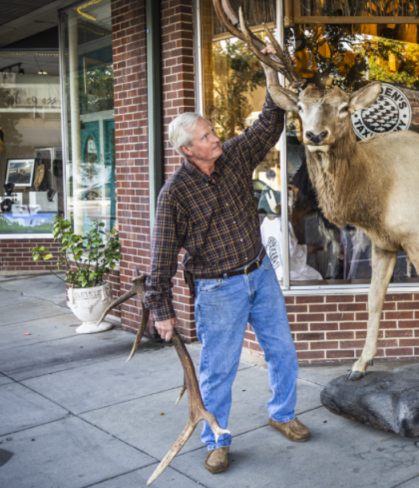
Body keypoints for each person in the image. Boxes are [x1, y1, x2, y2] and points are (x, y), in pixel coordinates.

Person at [144, 45, 308, 475]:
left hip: (259, 273)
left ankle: (283, 413)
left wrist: (270, 68)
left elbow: (269, 124)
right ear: (187, 150)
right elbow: (159, 258)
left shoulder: (233, 157)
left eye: (213, 132)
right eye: (206, 137)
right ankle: (215, 437)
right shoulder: (175, 195)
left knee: (282, 351)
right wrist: (161, 311)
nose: (216, 138)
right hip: (218, 290)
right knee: (218, 369)